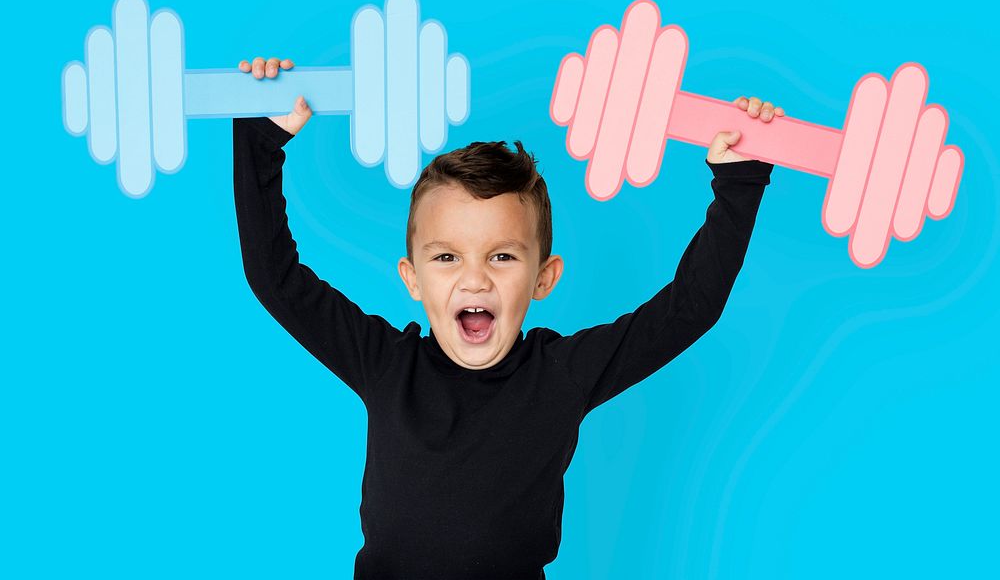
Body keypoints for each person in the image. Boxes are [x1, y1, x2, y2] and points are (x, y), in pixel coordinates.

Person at [234, 55, 782, 579]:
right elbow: (276, 279)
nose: (475, 279)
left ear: (543, 278)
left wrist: (738, 182)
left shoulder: (562, 374)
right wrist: (261, 141)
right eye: (447, 257)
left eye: (502, 256)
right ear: (413, 279)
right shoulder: (385, 364)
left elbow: (690, 308)